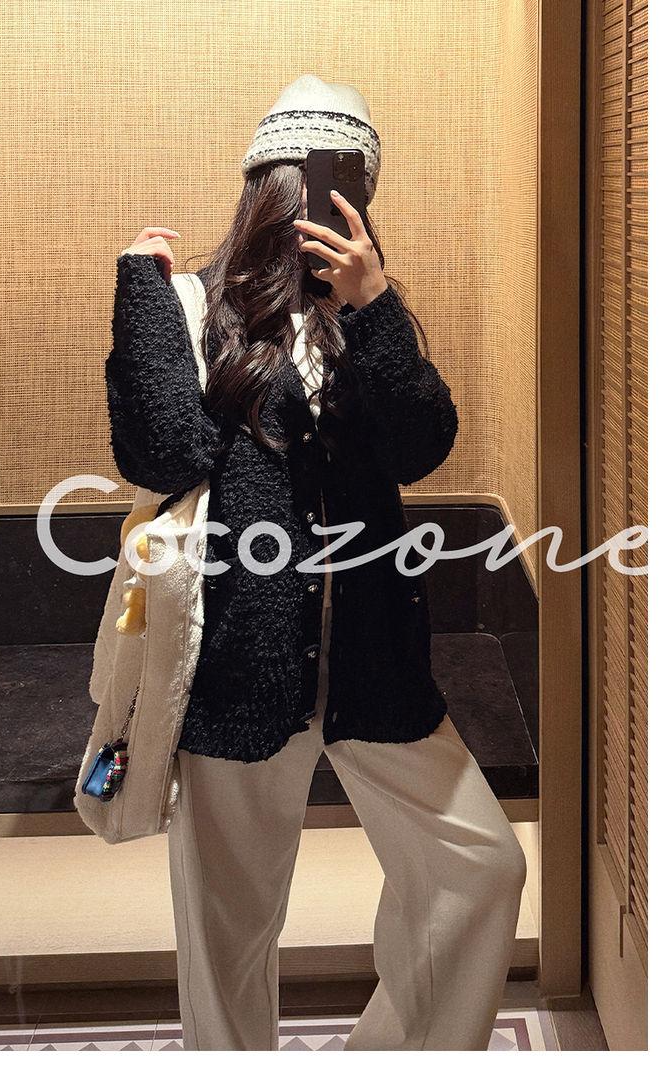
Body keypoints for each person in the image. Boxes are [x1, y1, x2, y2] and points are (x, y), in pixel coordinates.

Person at [105, 75, 527, 1052]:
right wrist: (140, 299)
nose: (317, 206)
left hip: (375, 669)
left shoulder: (365, 319)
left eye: (343, 186)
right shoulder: (195, 308)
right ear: (263, 187)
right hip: (238, 671)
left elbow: (419, 445)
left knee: (480, 868)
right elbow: (165, 453)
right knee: (227, 935)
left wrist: (374, 304)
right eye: (299, 181)